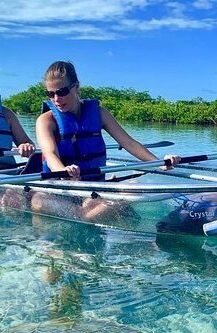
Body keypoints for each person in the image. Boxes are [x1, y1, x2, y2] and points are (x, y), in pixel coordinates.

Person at [29, 60, 180, 218]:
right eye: (50, 94)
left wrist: (159, 163)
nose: (56, 99)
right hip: (59, 189)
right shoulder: (46, 121)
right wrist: (64, 171)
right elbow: (50, 154)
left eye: (61, 92)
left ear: (76, 86)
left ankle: (87, 215)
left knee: (132, 187)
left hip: (93, 187)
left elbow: (128, 143)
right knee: (38, 201)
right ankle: (88, 215)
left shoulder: (100, 114)